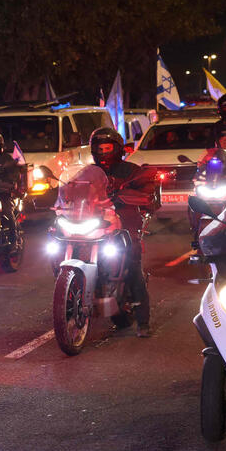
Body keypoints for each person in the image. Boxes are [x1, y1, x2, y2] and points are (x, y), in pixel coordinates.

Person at [90, 127, 154, 338]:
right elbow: (72, 189)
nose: (103, 152)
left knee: (131, 261)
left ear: (116, 149)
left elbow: (146, 188)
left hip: (125, 221)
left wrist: (133, 195)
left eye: (107, 148)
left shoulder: (131, 170)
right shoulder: (89, 172)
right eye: (99, 148)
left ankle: (143, 320)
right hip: (96, 222)